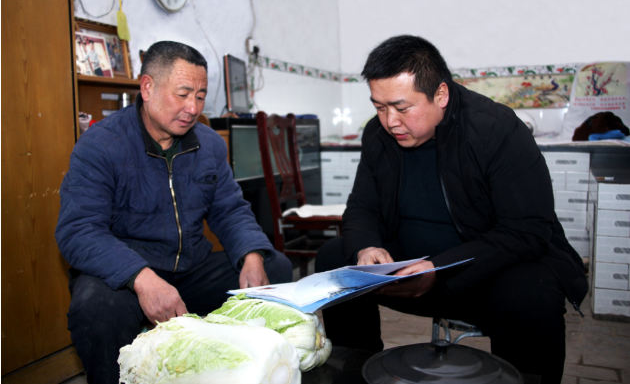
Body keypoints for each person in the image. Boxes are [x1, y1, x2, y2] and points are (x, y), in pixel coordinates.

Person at [315, 35, 588, 384]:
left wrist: (439, 268)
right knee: (334, 258)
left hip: (481, 277)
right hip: (410, 272)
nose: (390, 121)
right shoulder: (377, 135)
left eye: (401, 108)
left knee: (531, 289)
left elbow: (527, 231)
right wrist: (366, 248)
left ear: (440, 95)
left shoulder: (495, 129)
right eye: (379, 107)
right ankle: (356, 373)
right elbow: (362, 207)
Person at [56, 41, 292, 384]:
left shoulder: (209, 144)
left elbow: (229, 209)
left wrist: (251, 255)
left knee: (275, 268)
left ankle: (241, 371)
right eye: (182, 94)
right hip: (128, 275)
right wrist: (142, 279)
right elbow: (78, 231)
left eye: (200, 96)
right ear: (147, 87)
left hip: (190, 269)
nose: (192, 108)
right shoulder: (100, 145)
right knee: (95, 308)